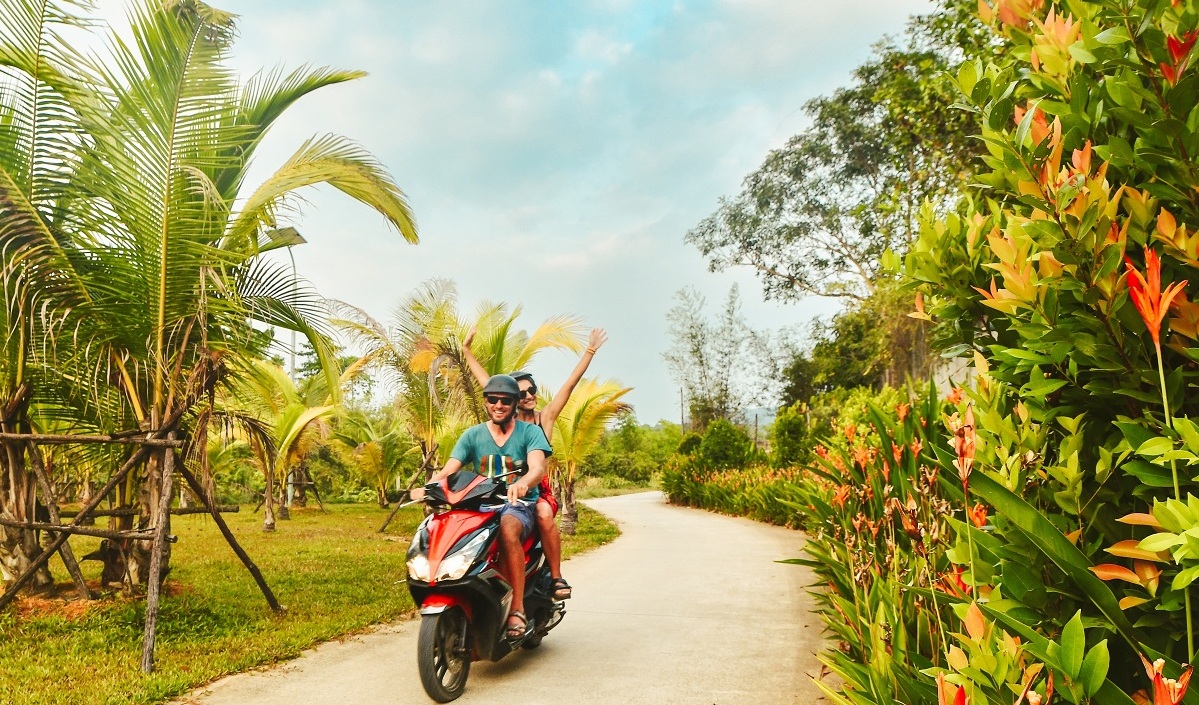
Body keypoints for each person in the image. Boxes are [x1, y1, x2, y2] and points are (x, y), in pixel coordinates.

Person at [463, 326, 608, 601]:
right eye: (524, 392)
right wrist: (467, 351)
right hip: (502, 488)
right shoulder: (507, 421)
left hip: (538, 489)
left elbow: (569, 385)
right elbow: (488, 384)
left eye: (533, 390)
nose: (530, 395)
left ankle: (556, 576)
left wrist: (589, 351)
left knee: (542, 513)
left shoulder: (546, 418)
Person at [411, 374, 551, 639]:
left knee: (508, 529)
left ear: (514, 404)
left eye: (505, 400)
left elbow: (537, 467)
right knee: (445, 527)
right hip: (479, 506)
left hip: (518, 504)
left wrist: (523, 483)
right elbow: (448, 470)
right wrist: (428, 487)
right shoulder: (473, 435)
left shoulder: (530, 432)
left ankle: (517, 609)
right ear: (486, 402)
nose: (499, 405)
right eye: (493, 399)